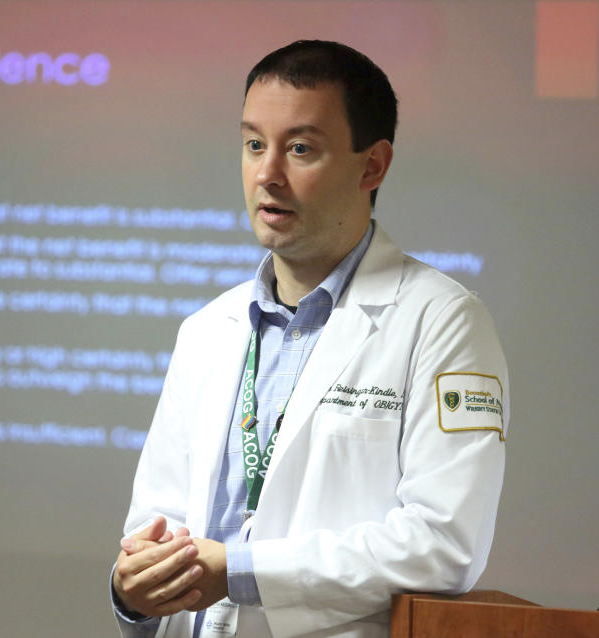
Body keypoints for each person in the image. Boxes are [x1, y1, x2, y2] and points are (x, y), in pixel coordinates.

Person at [110, 40, 510, 638]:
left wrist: (242, 572)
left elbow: (443, 545)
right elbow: (155, 527)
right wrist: (134, 594)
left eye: (300, 148)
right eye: (253, 145)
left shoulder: (443, 320)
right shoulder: (206, 331)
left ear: (372, 166)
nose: (267, 174)